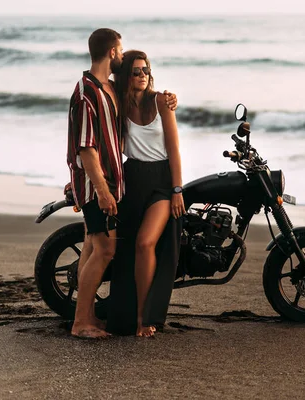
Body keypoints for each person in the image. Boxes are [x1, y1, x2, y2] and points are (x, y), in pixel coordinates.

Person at [67, 29, 177, 339]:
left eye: (145, 70)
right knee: (103, 249)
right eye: (122, 51)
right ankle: (80, 323)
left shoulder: (107, 89)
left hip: (112, 182)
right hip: (99, 185)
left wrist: (168, 97)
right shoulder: (90, 92)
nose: (140, 72)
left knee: (93, 244)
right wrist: (101, 190)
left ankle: (87, 315)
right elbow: (86, 147)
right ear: (114, 53)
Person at [106, 50, 185, 337]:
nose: (142, 76)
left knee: (144, 242)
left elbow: (174, 150)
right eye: (136, 71)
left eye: (146, 70)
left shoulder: (162, 100)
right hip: (132, 177)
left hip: (163, 180)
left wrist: (177, 189)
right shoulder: (118, 103)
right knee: (124, 250)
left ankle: (144, 317)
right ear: (126, 75)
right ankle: (130, 316)